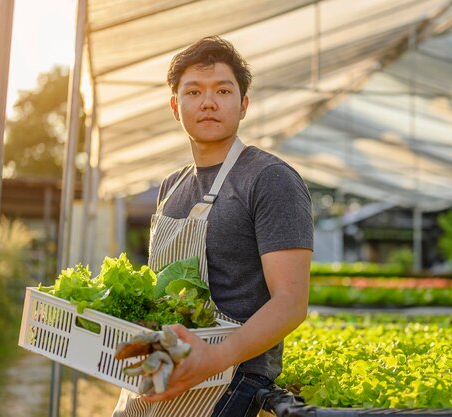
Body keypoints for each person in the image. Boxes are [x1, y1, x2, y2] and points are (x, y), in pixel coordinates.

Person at [112, 36, 313, 417]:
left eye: (223, 90)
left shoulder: (269, 178)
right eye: (194, 91)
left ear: (243, 105)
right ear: (175, 106)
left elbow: (291, 302)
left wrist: (215, 357)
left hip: (234, 378)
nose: (208, 101)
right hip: (168, 368)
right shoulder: (172, 187)